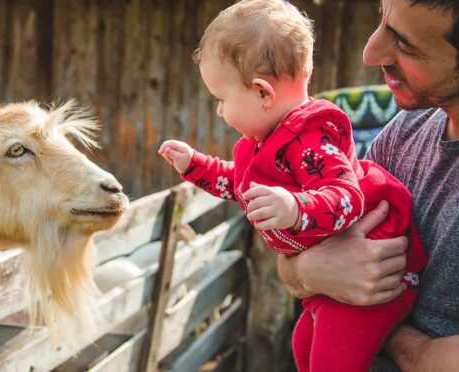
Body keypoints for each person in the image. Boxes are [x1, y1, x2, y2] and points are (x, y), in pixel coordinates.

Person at [157, 1, 426, 370]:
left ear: (263, 93)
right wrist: (195, 165)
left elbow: (347, 196)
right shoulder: (267, 143)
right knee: (302, 347)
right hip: (331, 282)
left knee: (329, 363)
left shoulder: (310, 138)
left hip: (373, 282)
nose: (219, 111)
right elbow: (238, 183)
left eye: (221, 99)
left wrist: (296, 208)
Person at [275, 0, 459, 370]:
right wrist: (306, 271)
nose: (370, 53)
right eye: (381, 17)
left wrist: (371, 319)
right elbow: (300, 258)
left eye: (406, 44)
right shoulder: (406, 129)